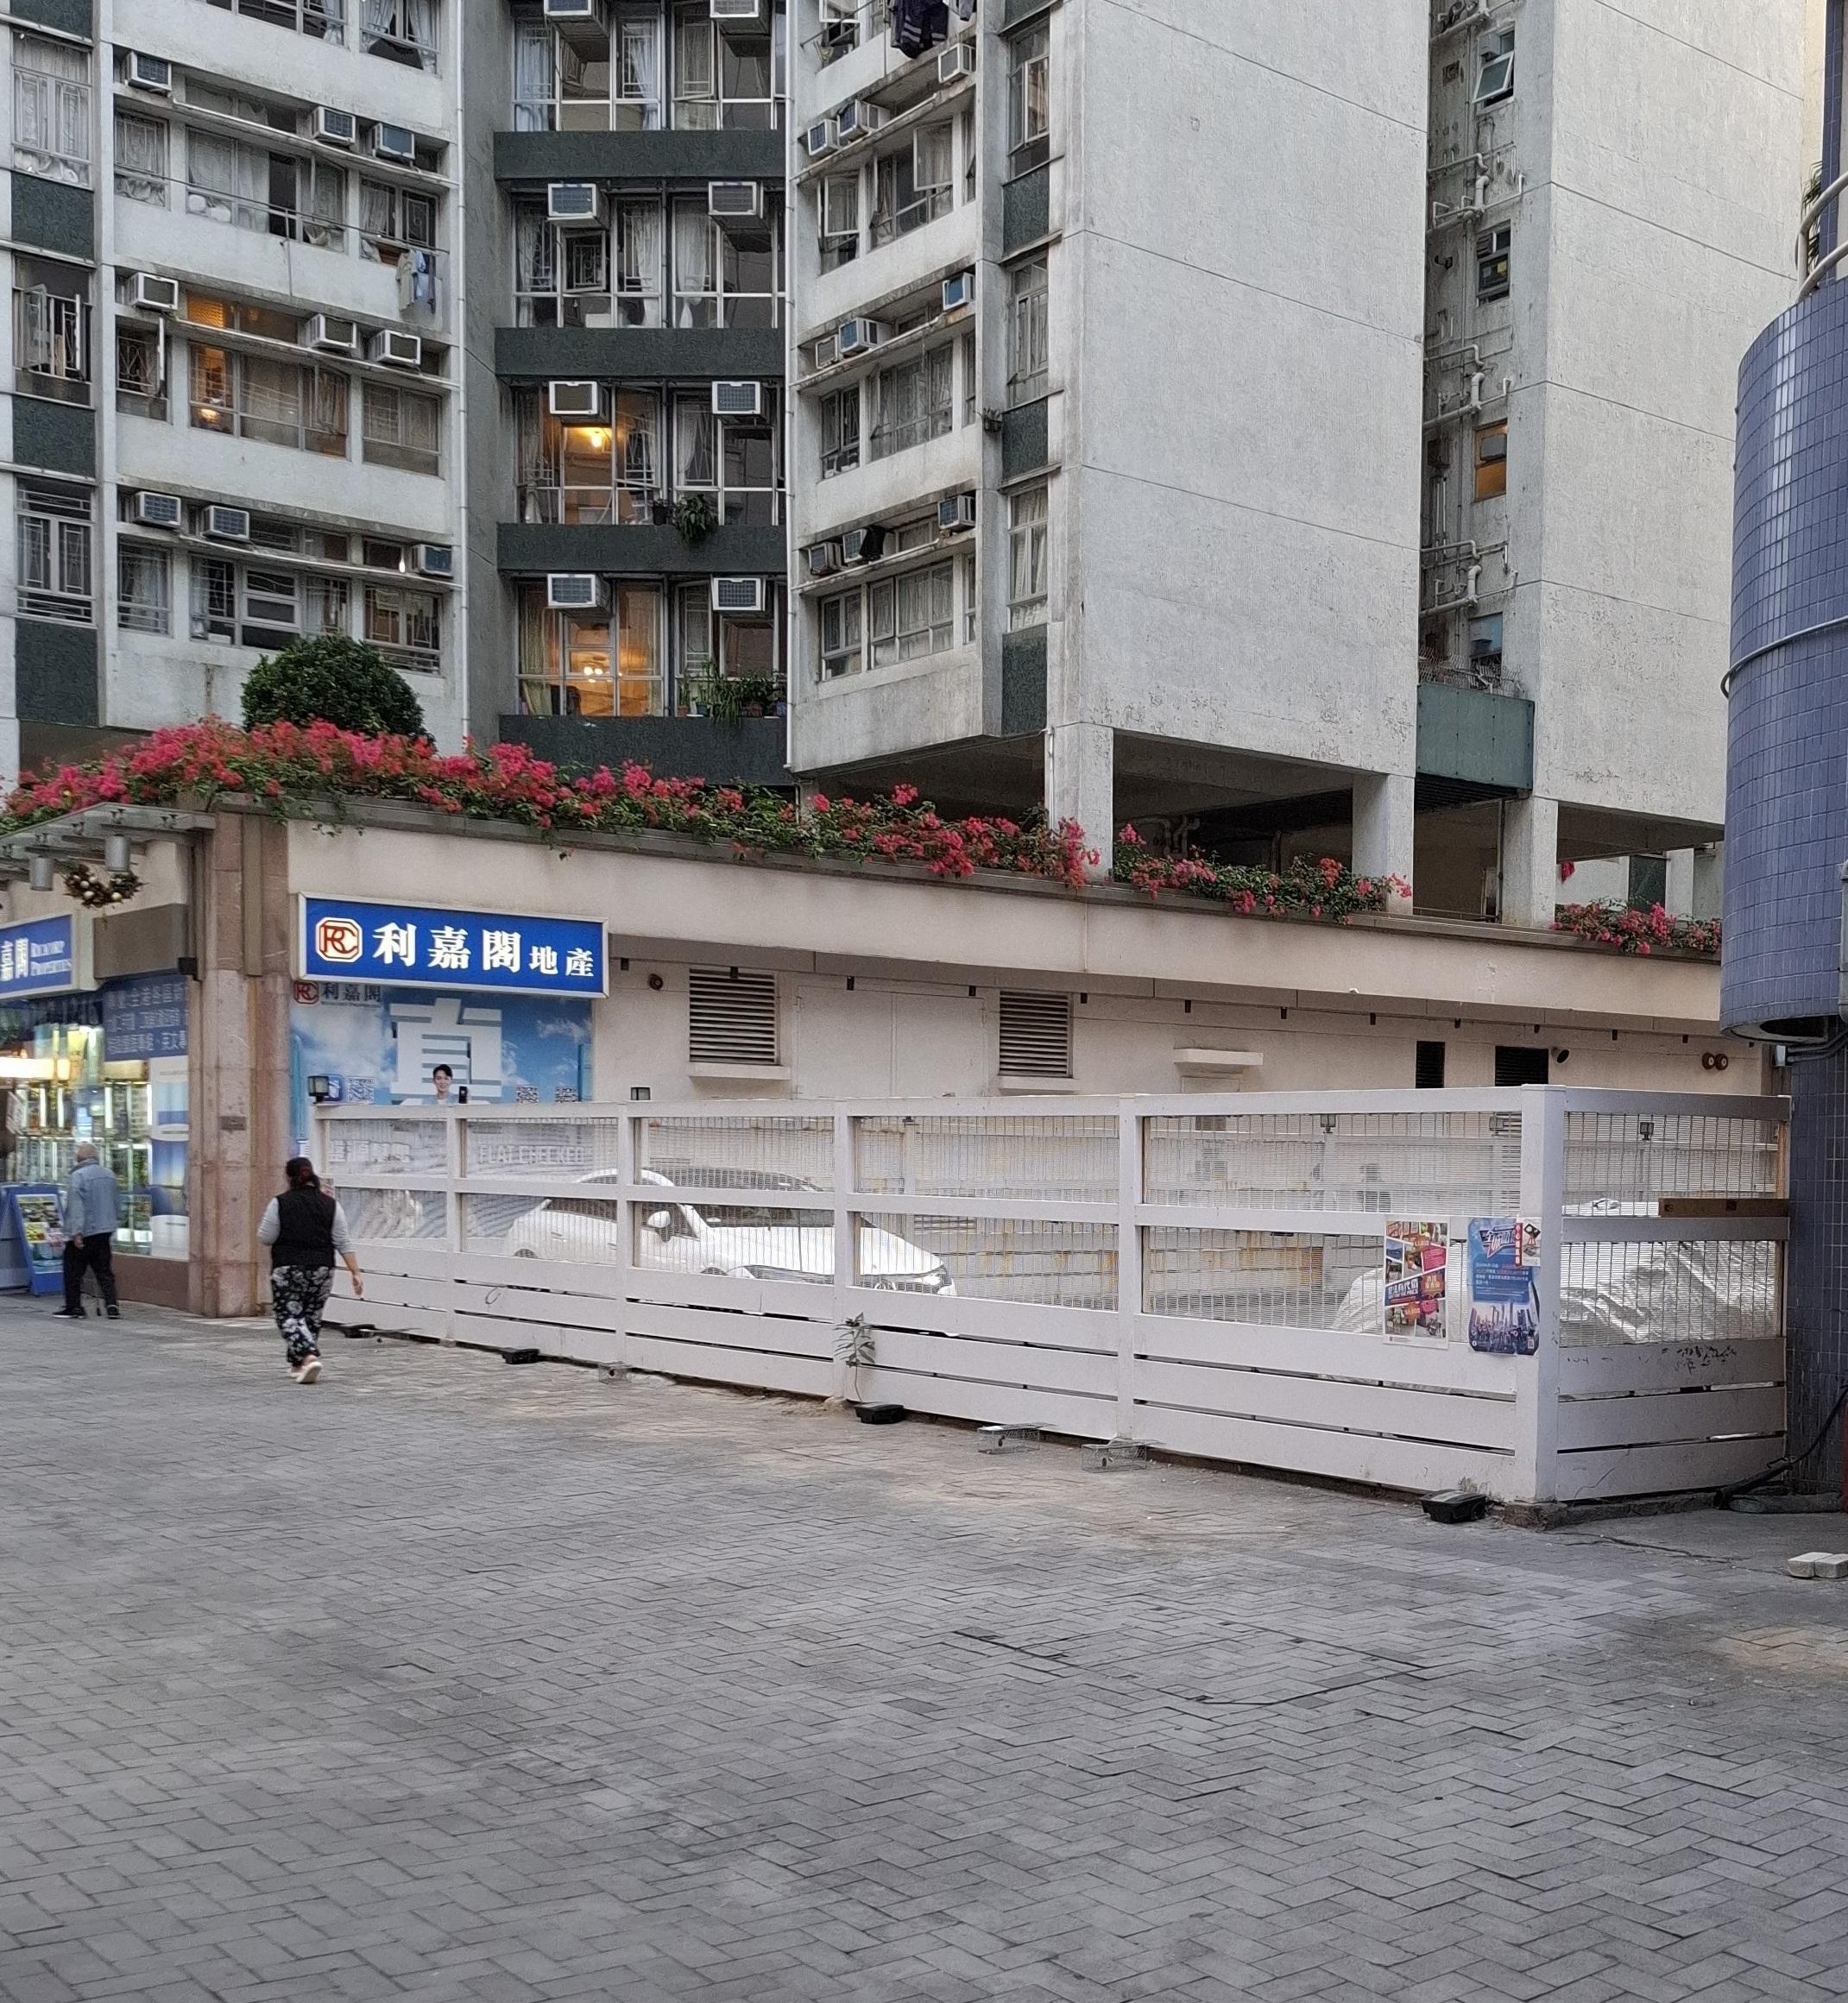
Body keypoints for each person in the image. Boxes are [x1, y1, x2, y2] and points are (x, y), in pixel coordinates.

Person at [256, 1157, 363, 1384]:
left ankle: (308, 1356)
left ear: (288, 1176)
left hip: (288, 1267)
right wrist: (355, 1272)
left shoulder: (280, 1203)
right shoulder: (331, 1204)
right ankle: (297, 1365)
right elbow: (342, 1240)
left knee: (289, 1315)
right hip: (322, 1269)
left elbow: (265, 1237)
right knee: (311, 1316)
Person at [56, 1141, 120, 1320]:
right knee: (104, 1270)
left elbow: (76, 1206)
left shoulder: (78, 1176)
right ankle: (112, 1305)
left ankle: (74, 1307)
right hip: (105, 1230)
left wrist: (76, 1232)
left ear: (80, 1157)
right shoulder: (109, 1175)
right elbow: (117, 1202)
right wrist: (113, 1225)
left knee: (73, 1270)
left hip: (85, 1232)